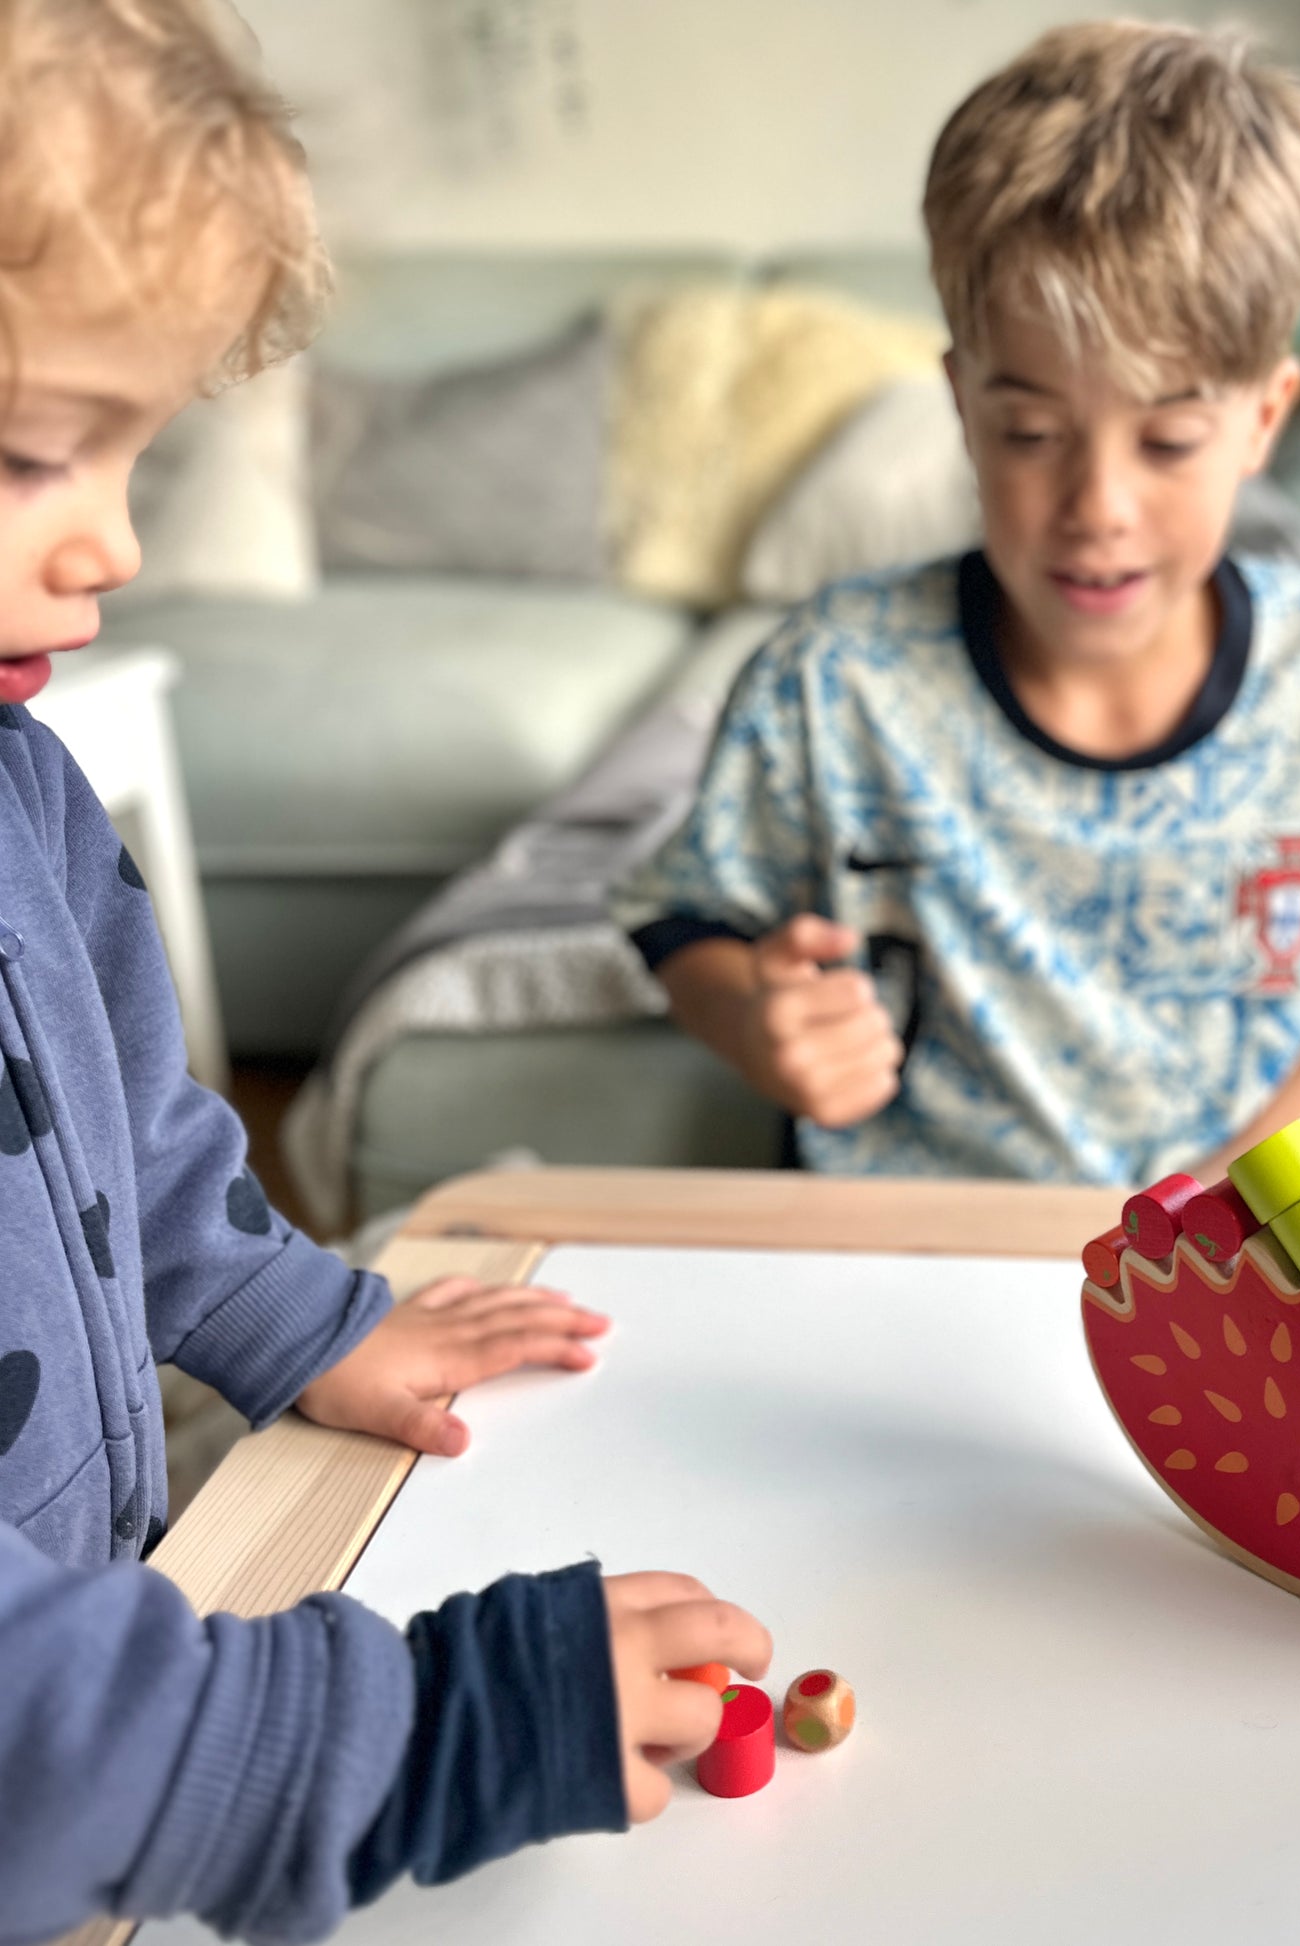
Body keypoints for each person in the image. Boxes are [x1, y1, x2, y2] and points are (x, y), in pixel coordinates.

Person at [0, 5, 768, 1938]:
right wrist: (409, 1734)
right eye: (32, 456)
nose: (112, 545)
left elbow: (133, 1136)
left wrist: (295, 1317)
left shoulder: (23, 786)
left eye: (136, 458)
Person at [612, 21, 1300, 1185]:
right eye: (1029, 432)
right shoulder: (834, 677)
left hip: (1229, 1249)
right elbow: (683, 916)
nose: (1096, 506)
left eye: (1167, 441)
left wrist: (1241, 1187)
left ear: (1264, 418)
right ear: (961, 408)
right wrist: (756, 1023)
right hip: (898, 1239)